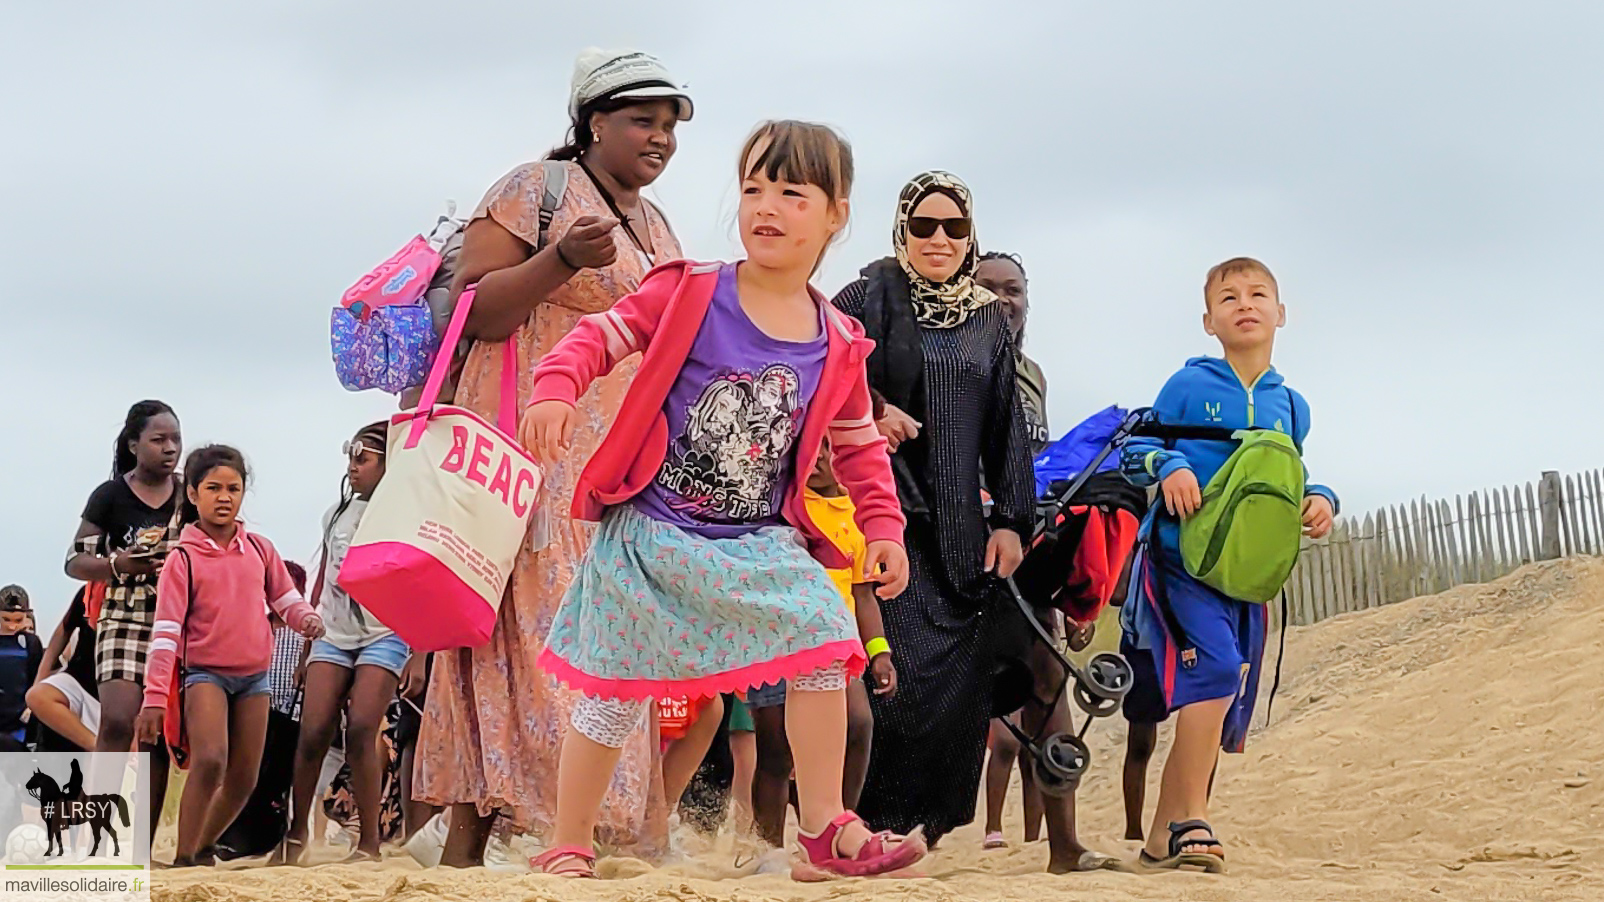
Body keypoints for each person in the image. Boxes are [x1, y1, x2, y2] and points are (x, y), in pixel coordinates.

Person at [521, 120, 922, 881]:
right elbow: (598, 339)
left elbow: (863, 447)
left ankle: (826, 827)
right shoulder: (694, 291)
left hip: (754, 540)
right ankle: (569, 839)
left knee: (823, 634)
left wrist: (884, 530)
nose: (765, 205)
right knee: (612, 688)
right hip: (652, 529)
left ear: (835, 213)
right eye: (752, 187)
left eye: (791, 193)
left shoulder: (837, 338)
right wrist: (556, 388)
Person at [416, 46, 692, 867]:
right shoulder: (531, 192)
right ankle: (500, 832)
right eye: (642, 119)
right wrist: (560, 259)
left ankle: (589, 827)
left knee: (608, 633)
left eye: (669, 124)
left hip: (619, 465)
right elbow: (475, 313)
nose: (660, 138)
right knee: (529, 636)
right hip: (528, 454)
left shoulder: (656, 222)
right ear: (594, 121)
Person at [833, 172, 1043, 854]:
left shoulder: (986, 318)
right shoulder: (865, 298)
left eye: (954, 228)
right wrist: (869, 406)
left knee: (952, 692)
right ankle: (860, 827)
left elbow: (1007, 426)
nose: (939, 239)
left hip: (960, 533)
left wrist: (1012, 520)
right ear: (902, 228)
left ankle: (919, 830)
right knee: (891, 680)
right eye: (924, 226)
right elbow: (814, 364)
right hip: (879, 520)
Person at [1119, 257, 1337, 872]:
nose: (1246, 303)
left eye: (1259, 294)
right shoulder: (1186, 387)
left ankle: (1163, 838)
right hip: (1181, 558)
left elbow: (1286, 470)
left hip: (1248, 570)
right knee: (1214, 670)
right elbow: (1136, 449)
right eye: (1230, 296)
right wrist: (1171, 467)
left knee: (1227, 681)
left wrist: (1320, 497)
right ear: (1209, 320)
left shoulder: (1291, 405)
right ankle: (1194, 819)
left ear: (1281, 313)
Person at [134, 445, 325, 867]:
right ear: (193, 495)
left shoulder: (259, 549)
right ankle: (184, 856)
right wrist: (152, 697)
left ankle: (203, 846)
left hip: (254, 677)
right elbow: (166, 633)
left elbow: (285, 597)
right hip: (205, 675)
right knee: (210, 760)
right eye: (214, 488)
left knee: (244, 777)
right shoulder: (182, 559)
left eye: (233, 489)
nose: (224, 497)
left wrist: (306, 619)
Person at [747, 445, 898, 866]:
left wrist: (879, 651)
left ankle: (838, 826)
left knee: (860, 724)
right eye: (812, 447)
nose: (819, 458)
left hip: (836, 646)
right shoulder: (786, 506)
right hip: (778, 639)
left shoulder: (855, 514)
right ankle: (768, 849)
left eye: (831, 448)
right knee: (776, 748)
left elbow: (863, 593)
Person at [282, 422, 418, 864]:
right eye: (351, 458)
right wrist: (308, 640)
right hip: (334, 632)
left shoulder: (407, 514)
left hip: (386, 631)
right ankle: (296, 833)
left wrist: (420, 649)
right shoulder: (335, 515)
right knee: (314, 728)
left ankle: (369, 844)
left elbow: (421, 583)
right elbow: (323, 580)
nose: (353, 468)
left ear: (388, 464)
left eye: (364, 459)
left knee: (362, 727)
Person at [66, 400, 183, 840]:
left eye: (175, 439)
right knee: (118, 720)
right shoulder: (111, 495)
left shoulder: (190, 494)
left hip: (176, 620)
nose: (170, 448)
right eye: (158, 440)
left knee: (157, 733)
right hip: (122, 616)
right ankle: (92, 833)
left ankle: (142, 846)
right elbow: (76, 561)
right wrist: (118, 565)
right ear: (134, 445)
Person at [216, 561, 310, 861]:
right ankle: (237, 836)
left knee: (280, 781)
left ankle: (278, 842)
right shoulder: (257, 627)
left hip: (292, 716)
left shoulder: (305, 635)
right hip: (257, 713)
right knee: (249, 775)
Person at [27, 587, 101, 752]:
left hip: (122, 692)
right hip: (81, 680)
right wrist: (40, 679)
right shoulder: (89, 591)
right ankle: (98, 747)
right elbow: (64, 629)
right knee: (37, 696)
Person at [0, 587, 44, 746]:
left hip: (21, 723)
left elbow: (38, 679)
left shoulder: (31, 644)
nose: (12, 626)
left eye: (18, 620)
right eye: (6, 619)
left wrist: (31, 709)